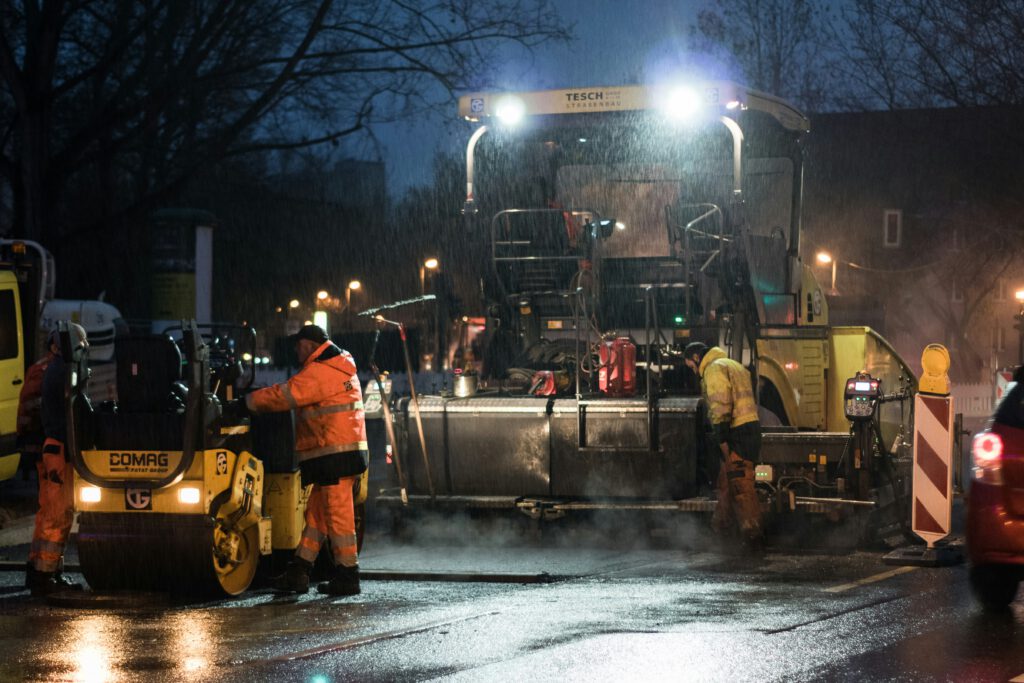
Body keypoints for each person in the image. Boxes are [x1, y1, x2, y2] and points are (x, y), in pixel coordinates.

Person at [245, 324, 368, 596]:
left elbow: (284, 395)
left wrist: (246, 403)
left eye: (298, 344)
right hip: (338, 454)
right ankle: (299, 571)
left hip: (334, 454)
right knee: (318, 517)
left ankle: (348, 574)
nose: (294, 349)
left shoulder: (322, 372)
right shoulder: (338, 366)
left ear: (311, 345)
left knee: (338, 515)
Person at [25, 323, 88, 596]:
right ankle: (46, 577)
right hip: (59, 450)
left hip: (51, 448)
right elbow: (74, 409)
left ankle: (40, 571)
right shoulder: (63, 370)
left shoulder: (51, 369)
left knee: (47, 511)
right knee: (58, 513)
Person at [684, 341, 764, 551]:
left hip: (737, 431)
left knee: (740, 484)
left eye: (691, 367)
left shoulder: (714, 369)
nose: (694, 372)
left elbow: (721, 407)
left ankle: (752, 535)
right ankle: (720, 530)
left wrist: (721, 438)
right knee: (726, 483)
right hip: (750, 427)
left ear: (695, 358)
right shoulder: (732, 364)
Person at [16, 329, 60, 479]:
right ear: (54, 347)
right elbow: (31, 403)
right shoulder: (48, 369)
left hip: (40, 433)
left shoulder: (45, 367)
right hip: (41, 433)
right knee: (48, 478)